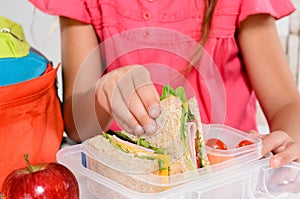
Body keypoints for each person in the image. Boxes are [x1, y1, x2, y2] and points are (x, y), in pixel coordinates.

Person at [29, 0, 300, 168]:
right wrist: (103, 93)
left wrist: (285, 145)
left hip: (227, 179)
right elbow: (78, 128)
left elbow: (286, 104)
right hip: (126, 180)